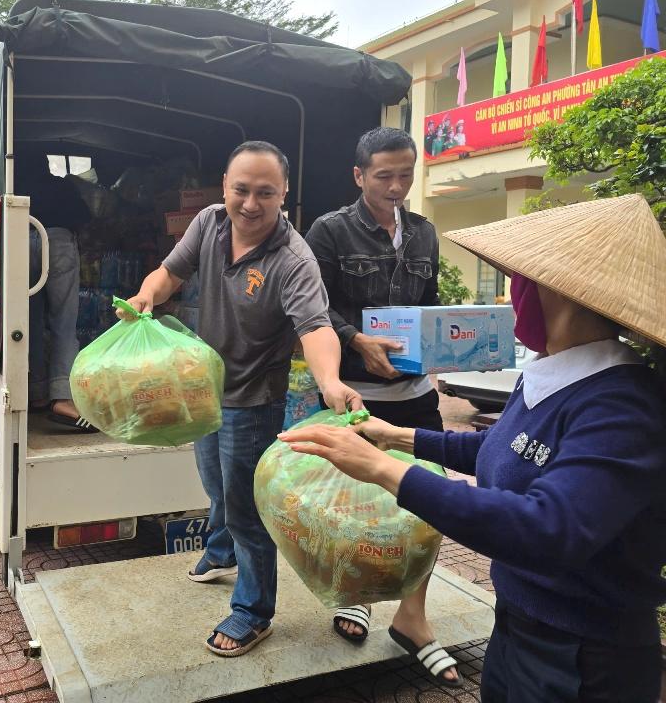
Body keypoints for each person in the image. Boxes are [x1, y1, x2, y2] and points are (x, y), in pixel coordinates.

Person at [280, 194, 666, 702]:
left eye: (521, 280)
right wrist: (392, 436)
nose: (514, 293)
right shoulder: (552, 375)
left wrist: (383, 470)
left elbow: (549, 528)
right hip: (516, 625)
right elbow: (502, 448)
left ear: (558, 292)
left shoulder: (621, 405)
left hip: (581, 655)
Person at [118, 140, 363, 656]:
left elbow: (316, 327)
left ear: (284, 193)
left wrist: (330, 382)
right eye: (242, 190)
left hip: (253, 400)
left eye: (265, 193)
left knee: (248, 508)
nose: (251, 204)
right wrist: (146, 295)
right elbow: (169, 273)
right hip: (203, 389)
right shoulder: (209, 223)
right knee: (215, 484)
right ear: (226, 187)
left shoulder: (294, 259)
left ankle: (253, 611)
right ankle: (220, 549)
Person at [303, 126, 458, 687]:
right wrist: (356, 340)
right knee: (359, 505)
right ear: (359, 175)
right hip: (355, 396)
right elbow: (313, 307)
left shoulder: (424, 233)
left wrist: (454, 345)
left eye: (405, 175)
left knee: (430, 502)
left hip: (416, 397)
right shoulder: (330, 230)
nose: (396, 187)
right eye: (383, 176)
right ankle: (359, 595)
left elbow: (428, 307)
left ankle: (412, 616)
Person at [16, 150, 94, 431]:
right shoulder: (61, 186)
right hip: (58, 243)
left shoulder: (13, 186)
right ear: (46, 165)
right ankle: (62, 397)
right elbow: (85, 217)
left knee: (30, 322)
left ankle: (36, 391)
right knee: (63, 322)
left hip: (21, 240)